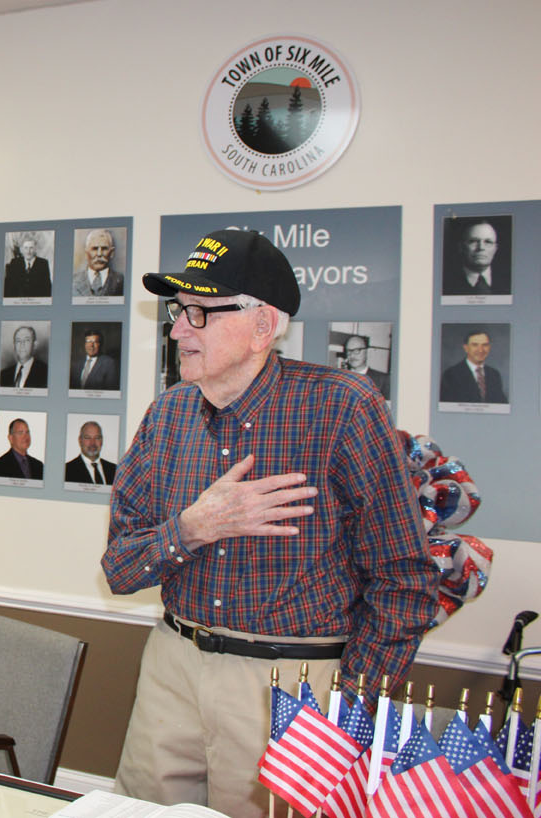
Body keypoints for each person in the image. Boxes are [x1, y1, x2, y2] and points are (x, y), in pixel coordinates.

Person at [101, 229, 436, 817]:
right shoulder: (167, 414)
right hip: (172, 670)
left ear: (264, 325)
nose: (178, 329)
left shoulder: (343, 408)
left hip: (294, 684)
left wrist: (348, 707)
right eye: (179, 311)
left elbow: (404, 580)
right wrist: (195, 527)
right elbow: (120, 568)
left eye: (199, 312)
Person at [442, 219, 509, 296]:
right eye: (473, 241)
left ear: (495, 249)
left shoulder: (509, 281)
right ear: (461, 247)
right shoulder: (445, 284)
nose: (481, 247)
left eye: (488, 242)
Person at [439, 329, 507, 403]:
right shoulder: (451, 375)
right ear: (466, 348)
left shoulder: (494, 374)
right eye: (475, 345)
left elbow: (501, 405)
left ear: (489, 347)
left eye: (485, 345)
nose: (480, 350)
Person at [72, 228, 124, 297]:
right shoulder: (73, 281)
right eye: (94, 249)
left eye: (104, 248)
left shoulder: (121, 280)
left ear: (112, 253)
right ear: (86, 253)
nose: (99, 254)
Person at [64, 421, 115, 485]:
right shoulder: (66, 471)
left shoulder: (115, 470)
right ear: (80, 440)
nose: (92, 443)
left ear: (102, 440)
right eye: (87, 438)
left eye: (97, 438)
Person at [340, 334, 389, 398]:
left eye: (357, 350)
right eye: (349, 351)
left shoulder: (383, 380)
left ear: (367, 352)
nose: (352, 355)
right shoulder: (341, 379)